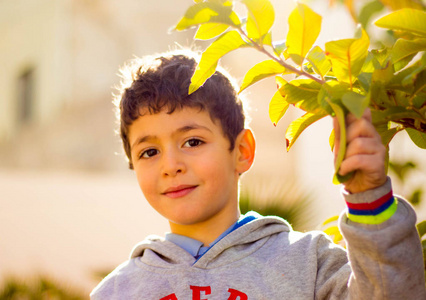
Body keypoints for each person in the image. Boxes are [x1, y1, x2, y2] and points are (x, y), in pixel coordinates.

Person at [90, 49, 426, 299]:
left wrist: (370, 200)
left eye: (192, 141)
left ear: (242, 151)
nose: (170, 165)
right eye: (149, 152)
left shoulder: (309, 263)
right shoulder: (116, 291)